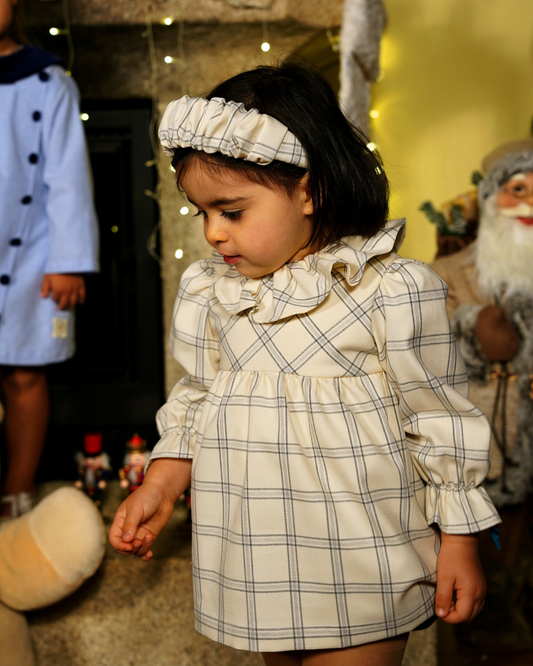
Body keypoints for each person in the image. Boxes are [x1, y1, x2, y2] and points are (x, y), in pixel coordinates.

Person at [110, 60, 500, 666]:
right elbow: (197, 394)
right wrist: (161, 481)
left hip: (361, 553)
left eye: (232, 211)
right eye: (201, 212)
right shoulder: (214, 291)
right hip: (259, 557)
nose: (213, 233)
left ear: (309, 190)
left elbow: (440, 418)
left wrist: (460, 539)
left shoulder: (387, 289)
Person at [431, 140, 533, 651]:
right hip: (485, 465)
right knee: (485, 617)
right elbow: (473, 350)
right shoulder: (448, 276)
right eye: (519, 191)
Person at [0, 0, 99, 517]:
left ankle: (16, 491)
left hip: (32, 257)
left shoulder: (49, 81)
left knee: (23, 373)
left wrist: (68, 259)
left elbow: (66, 177)